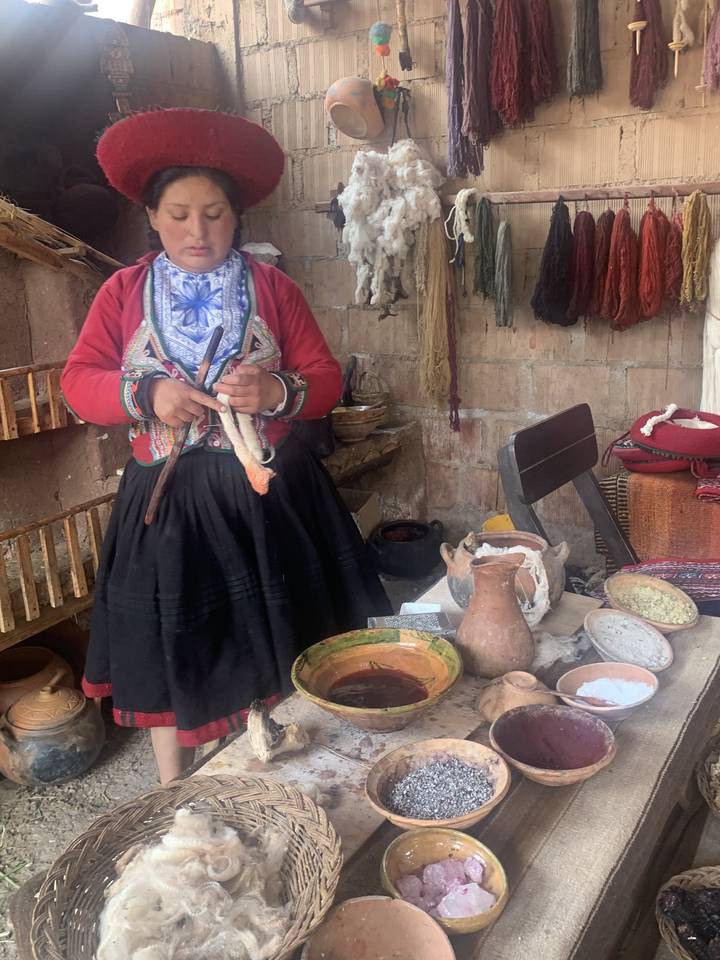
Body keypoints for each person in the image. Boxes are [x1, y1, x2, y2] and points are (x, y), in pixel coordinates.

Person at [61, 109, 391, 783]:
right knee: (176, 645)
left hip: (272, 498)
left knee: (284, 635)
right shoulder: (123, 293)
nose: (198, 231)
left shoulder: (272, 288)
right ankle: (173, 790)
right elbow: (79, 381)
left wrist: (275, 392)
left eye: (214, 213)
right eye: (178, 213)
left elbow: (323, 378)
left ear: (236, 218)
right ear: (151, 216)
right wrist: (145, 395)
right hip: (168, 504)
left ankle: (284, 770)